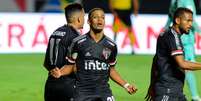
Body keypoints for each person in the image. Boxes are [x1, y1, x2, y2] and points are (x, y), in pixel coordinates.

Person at [51, 8, 138, 101]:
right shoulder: (78, 43)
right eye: (95, 17)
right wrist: (60, 72)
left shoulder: (111, 45)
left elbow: (111, 70)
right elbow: (71, 66)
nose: (100, 20)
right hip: (82, 93)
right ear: (89, 21)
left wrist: (126, 85)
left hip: (104, 93)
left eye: (102, 17)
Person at [145, 7, 201, 101]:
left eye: (191, 21)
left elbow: (156, 60)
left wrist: (152, 85)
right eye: (187, 21)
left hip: (176, 92)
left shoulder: (166, 34)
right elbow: (182, 63)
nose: (190, 24)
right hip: (167, 91)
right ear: (177, 20)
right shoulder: (172, 37)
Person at [43, 3, 85, 101]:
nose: (84, 19)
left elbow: (46, 63)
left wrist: (55, 71)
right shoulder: (77, 38)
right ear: (78, 19)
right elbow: (76, 67)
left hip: (50, 85)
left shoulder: (55, 32)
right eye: (83, 16)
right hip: (69, 86)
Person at [164, 0, 201, 101]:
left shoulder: (173, 1)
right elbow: (189, 21)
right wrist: (199, 31)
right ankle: (195, 96)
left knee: (175, 66)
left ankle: (176, 93)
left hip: (175, 36)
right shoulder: (187, 1)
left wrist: (165, 29)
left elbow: (170, 16)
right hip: (186, 39)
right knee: (187, 66)